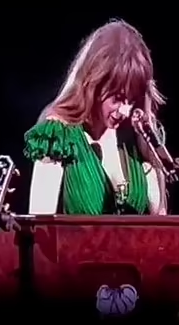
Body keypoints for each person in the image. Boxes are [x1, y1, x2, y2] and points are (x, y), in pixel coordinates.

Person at [24, 19, 168, 216]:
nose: (125, 111)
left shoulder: (135, 138)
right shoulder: (58, 136)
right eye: (117, 98)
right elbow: (40, 224)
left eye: (132, 100)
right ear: (94, 84)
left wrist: (151, 154)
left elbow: (160, 224)